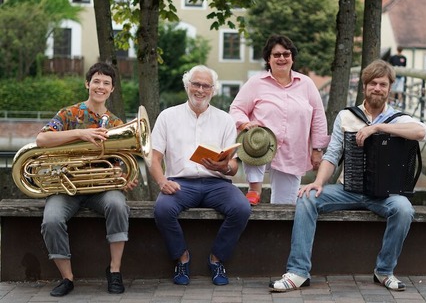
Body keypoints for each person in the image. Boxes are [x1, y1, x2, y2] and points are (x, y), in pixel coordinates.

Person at [269, 59, 426, 292]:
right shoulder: (346, 116)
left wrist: (378, 128)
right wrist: (318, 182)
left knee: (404, 209)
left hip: (384, 195)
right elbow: (332, 154)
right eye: (373, 83)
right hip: (347, 189)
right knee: (306, 198)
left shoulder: (399, 119)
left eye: (383, 84)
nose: (377, 88)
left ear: (389, 88)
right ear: (364, 87)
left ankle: (384, 271)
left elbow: (421, 131)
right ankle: (298, 271)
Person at [37, 62, 136, 297]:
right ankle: (67, 278)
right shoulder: (69, 114)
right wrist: (80, 133)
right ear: (87, 84)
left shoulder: (116, 124)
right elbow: (41, 139)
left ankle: (114, 270)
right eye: (96, 82)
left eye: (106, 83)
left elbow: (118, 162)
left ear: (112, 89)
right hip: (65, 186)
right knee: (51, 220)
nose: (100, 87)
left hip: (101, 189)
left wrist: (121, 176)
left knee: (118, 205)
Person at [148, 65, 251, 286]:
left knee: (242, 208)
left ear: (213, 90)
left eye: (206, 86)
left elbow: (233, 165)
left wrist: (222, 167)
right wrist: (162, 181)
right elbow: (154, 158)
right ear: (187, 86)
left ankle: (216, 258)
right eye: (196, 84)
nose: (200, 90)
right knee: (162, 209)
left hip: (217, 183)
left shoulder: (224, 119)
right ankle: (182, 258)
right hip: (181, 183)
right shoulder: (168, 116)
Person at [230, 34, 329, 205]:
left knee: (285, 205)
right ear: (268, 59)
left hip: (293, 150)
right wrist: (246, 123)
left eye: (286, 54)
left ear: (292, 58)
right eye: (276, 55)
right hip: (261, 146)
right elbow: (236, 109)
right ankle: (255, 189)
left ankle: (279, 232)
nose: (282, 58)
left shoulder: (306, 84)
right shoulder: (256, 83)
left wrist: (317, 149)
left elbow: (318, 117)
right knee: (254, 139)